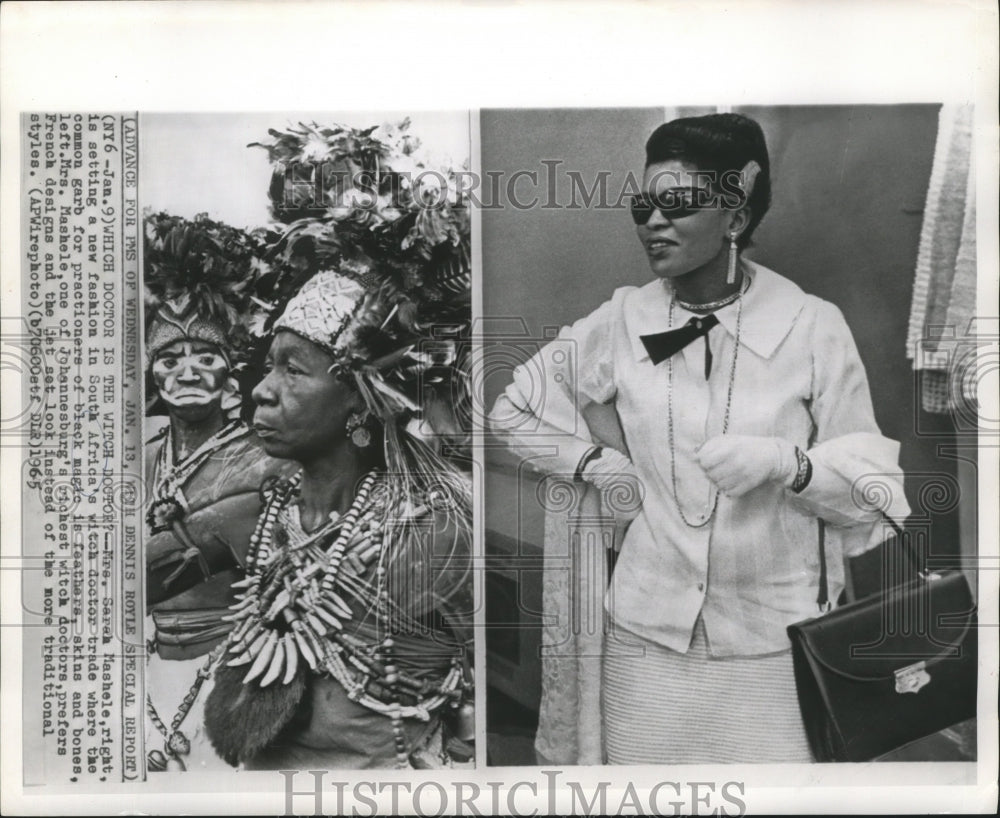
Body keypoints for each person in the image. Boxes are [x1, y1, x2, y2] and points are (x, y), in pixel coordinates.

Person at [488, 113, 911, 764]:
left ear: (735, 218)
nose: (653, 222)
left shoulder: (812, 326)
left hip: (769, 647)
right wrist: (596, 464)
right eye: (643, 205)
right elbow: (512, 409)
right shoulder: (624, 319)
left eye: (678, 204)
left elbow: (878, 495)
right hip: (644, 641)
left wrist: (788, 464)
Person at [201, 270, 474, 770]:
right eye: (269, 367)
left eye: (293, 370)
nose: (262, 390)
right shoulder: (263, 511)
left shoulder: (430, 530)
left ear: (357, 396)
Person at [142, 213, 293, 772]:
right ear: (152, 372)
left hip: (232, 664)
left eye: (205, 356)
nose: (187, 371)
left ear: (232, 374)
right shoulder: (144, 457)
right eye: (169, 358)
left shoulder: (266, 459)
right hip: (150, 663)